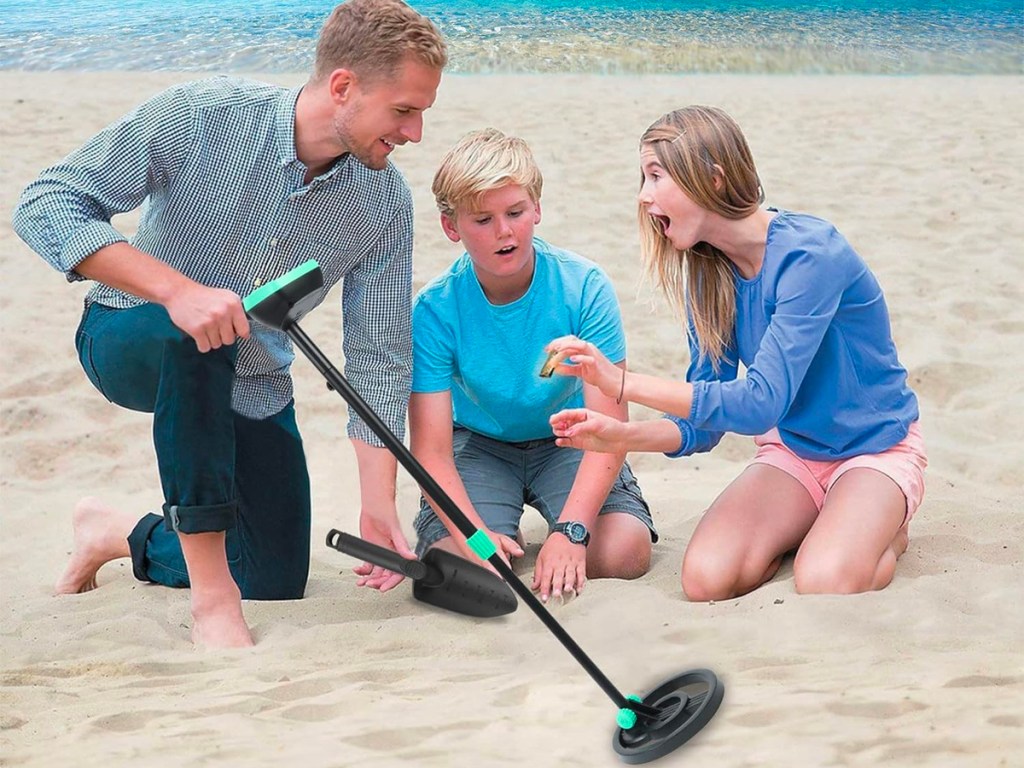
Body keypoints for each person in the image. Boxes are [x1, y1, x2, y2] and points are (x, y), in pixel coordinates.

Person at [11, 0, 448, 648]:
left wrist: (377, 499)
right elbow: (45, 202)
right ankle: (213, 605)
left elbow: (379, 355)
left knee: (274, 577)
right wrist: (178, 291)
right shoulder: (201, 114)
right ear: (343, 87)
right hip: (129, 334)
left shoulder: (382, 203)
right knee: (199, 333)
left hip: (252, 381)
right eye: (404, 110)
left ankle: (118, 533)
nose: (414, 133)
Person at [547, 105, 927, 601]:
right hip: (795, 452)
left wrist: (620, 382)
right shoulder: (709, 277)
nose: (643, 196)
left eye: (656, 175)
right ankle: (829, 519)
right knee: (706, 579)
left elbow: (759, 403)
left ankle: (883, 531)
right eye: (643, 178)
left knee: (824, 579)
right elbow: (704, 426)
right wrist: (622, 435)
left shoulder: (811, 256)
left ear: (713, 178)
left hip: (875, 450)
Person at [376, 128, 656, 603]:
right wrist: (476, 538)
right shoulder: (434, 309)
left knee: (624, 553)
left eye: (515, 213)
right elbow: (432, 450)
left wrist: (571, 533)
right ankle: (497, 528)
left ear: (537, 210)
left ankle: (553, 531)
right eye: (482, 219)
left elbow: (611, 428)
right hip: (478, 445)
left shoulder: (584, 286)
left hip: (570, 436)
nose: (504, 231)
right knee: (458, 568)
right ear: (451, 227)